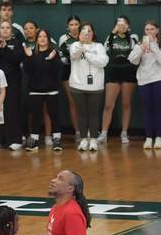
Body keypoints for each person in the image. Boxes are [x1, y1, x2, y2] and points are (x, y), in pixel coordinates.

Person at [69, 22, 108, 151]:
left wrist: (89, 53)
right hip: (77, 85)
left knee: (93, 114)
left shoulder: (99, 46)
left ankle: (93, 140)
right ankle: (84, 139)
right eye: (83, 32)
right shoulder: (75, 45)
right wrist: (82, 46)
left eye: (89, 31)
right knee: (81, 114)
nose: (87, 34)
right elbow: (74, 55)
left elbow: (103, 62)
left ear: (93, 33)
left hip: (95, 87)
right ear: (79, 34)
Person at [0, 21, 25, 151]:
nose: (5, 30)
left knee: (12, 109)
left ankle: (16, 139)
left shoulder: (17, 43)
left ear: (11, 31)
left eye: (7, 28)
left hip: (13, 80)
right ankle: (0, 139)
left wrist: (5, 48)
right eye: (2, 28)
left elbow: (17, 59)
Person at [100, 16, 138, 145]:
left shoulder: (133, 38)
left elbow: (135, 53)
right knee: (108, 105)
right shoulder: (110, 37)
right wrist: (113, 32)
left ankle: (124, 133)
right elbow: (105, 49)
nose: (121, 26)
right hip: (113, 71)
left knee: (126, 104)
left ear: (128, 25)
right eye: (119, 23)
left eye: (124, 23)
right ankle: (104, 133)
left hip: (128, 72)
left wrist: (126, 32)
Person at [24, 29, 63, 152]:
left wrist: (52, 59)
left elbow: (58, 70)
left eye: (45, 36)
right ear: (37, 39)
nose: (42, 39)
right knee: (36, 116)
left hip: (51, 90)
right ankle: (34, 140)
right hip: (35, 90)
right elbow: (27, 70)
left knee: (54, 115)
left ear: (48, 39)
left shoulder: (53, 53)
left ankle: (56, 139)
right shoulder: (31, 53)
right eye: (40, 36)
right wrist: (29, 57)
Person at [129, 20, 161, 149]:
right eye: (147, 29)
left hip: (158, 79)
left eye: (152, 29)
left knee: (158, 108)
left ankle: (159, 137)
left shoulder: (158, 44)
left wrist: (153, 46)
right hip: (143, 80)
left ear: (157, 31)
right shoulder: (139, 44)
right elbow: (133, 60)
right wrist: (141, 49)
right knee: (147, 109)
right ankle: (148, 137)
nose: (149, 32)